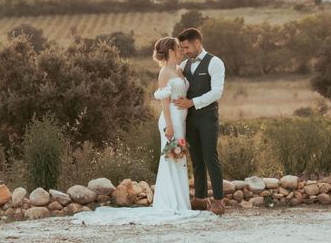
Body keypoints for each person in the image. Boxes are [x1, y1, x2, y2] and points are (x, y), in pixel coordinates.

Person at [71, 37, 216, 226]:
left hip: (181, 120)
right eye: (178, 47)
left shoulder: (179, 70)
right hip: (171, 119)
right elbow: (164, 101)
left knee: (179, 159)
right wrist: (169, 126)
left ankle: (181, 202)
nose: (181, 50)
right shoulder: (165, 73)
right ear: (171, 51)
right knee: (170, 158)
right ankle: (170, 203)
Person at [174, 28, 226, 215]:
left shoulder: (215, 62)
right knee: (196, 158)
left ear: (197, 42)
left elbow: (217, 92)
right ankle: (200, 199)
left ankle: (219, 200)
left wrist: (192, 102)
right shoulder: (184, 65)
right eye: (182, 47)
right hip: (189, 119)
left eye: (187, 46)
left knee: (210, 157)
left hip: (207, 117)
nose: (185, 50)